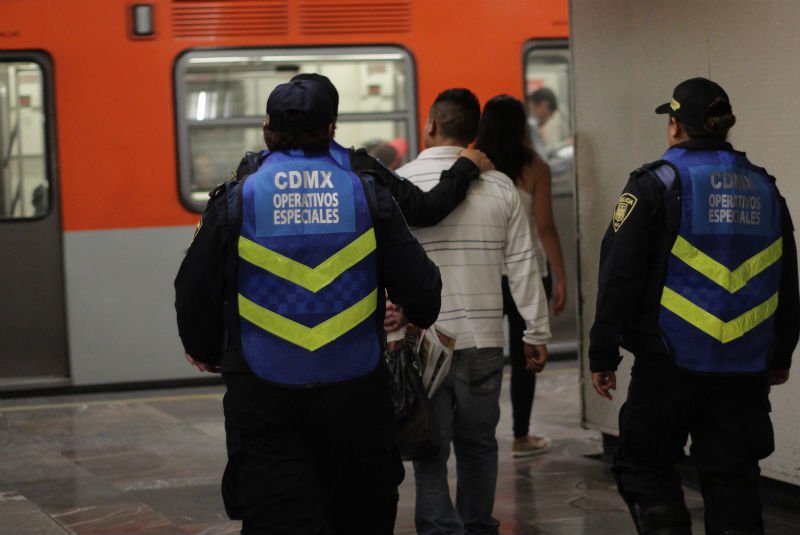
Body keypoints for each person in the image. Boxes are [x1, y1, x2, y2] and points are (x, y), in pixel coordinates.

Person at [174, 79, 442, 535]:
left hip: (263, 392)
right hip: (356, 392)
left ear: (267, 129)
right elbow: (423, 293)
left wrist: (208, 349)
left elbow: (192, 287)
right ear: (331, 128)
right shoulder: (369, 194)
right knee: (360, 515)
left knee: (276, 515)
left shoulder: (236, 199)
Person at [589, 77, 800, 535]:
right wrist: (780, 352)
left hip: (669, 361)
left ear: (674, 126)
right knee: (733, 477)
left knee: (645, 468)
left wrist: (604, 352)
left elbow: (619, 275)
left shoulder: (654, 185)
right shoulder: (765, 188)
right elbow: (787, 275)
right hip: (744, 366)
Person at [396, 88, 551, 535]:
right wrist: (535, 332)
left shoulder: (401, 182)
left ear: (430, 125)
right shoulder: (501, 186)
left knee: (429, 449)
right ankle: (478, 525)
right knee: (479, 445)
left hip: (425, 341)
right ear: (473, 133)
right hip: (484, 338)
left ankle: (439, 529)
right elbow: (524, 263)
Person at [233, 73, 493, 228]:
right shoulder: (361, 168)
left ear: (270, 123)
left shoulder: (249, 175)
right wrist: (464, 166)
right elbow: (426, 210)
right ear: (332, 124)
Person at [475, 95, 568, 457]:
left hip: (485, 273)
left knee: (482, 354)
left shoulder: (473, 167)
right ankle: (520, 436)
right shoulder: (535, 167)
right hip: (527, 271)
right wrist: (559, 276)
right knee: (526, 353)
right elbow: (545, 226)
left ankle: (478, 434)